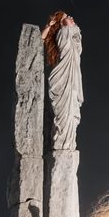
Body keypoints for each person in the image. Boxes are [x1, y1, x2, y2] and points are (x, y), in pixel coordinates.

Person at [42, 10, 83, 150]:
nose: (71, 17)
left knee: (71, 116)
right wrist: (49, 25)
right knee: (64, 118)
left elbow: (77, 40)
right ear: (61, 23)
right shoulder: (63, 34)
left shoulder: (71, 36)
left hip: (71, 82)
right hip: (63, 81)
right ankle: (62, 145)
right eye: (66, 17)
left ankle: (67, 145)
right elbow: (41, 39)